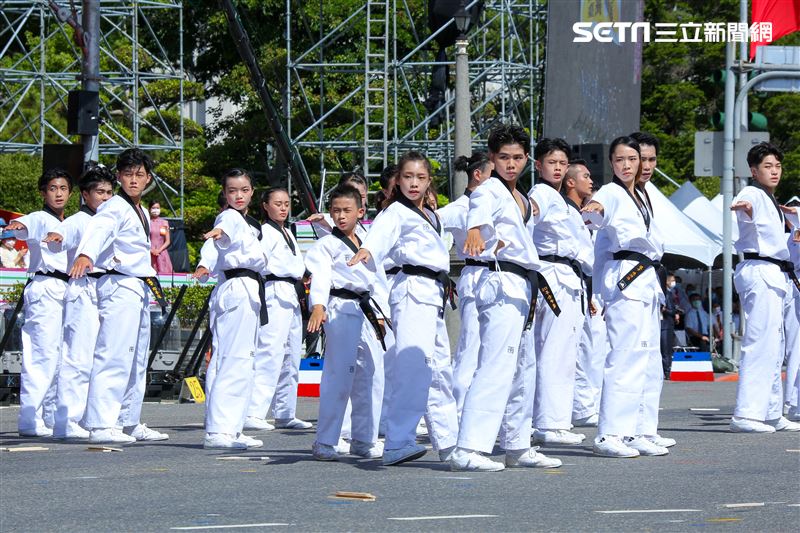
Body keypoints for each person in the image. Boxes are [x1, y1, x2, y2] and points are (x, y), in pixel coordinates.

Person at [449, 124, 561, 471]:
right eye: (503, 157)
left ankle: (517, 444)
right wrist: (474, 229)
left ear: (527, 158)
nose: (511, 164)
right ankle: (468, 447)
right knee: (495, 365)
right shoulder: (489, 190)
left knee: (524, 367)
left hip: (522, 286)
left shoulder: (523, 198)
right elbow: (478, 209)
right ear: (492, 158)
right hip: (499, 283)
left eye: (517, 157)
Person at [349, 151, 459, 466]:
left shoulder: (432, 215)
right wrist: (367, 249)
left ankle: (448, 440)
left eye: (420, 178)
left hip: (433, 292)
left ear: (429, 181)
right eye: (407, 177)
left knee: (439, 368)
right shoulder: (396, 211)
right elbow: (380, 234)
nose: (413, 183)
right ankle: (398, 441)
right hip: (412, 290)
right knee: (414, 366)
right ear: (398, 180)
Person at [70, 149, 169, 444]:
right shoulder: (114, 206)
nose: (134, 180)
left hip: (137, 285)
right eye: (128, 174)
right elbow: (100, 228)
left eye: (139, 175)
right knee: (113, 353)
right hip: (118, 283)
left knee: (136, 358)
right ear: (118, 177)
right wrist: (86, 253)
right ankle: (101, 424)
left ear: (148, 178)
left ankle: (127, 420)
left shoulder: (139, 210)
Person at [582, 136, 669, 458]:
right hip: (627, 279)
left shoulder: (641, 195)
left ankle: (638, 430)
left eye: (633, 159)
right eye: (620, 160)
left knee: (647, 359)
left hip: (646, 280)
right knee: (624, 357)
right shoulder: (611, 192)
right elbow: (598, 208)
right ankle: (609, 434)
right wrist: (594, 208)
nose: (628, 165)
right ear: (612, 163)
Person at [306, 185, 385, 460]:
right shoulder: (326, 244)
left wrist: (383, 314)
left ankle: (364, 438)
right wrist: (318, 305)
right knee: (338, 375)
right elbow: (320, 276)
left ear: (360, 212)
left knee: (371, 375)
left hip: (366, 308)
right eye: (336, 211)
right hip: (339, 307)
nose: (340, 216)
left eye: (346, 211)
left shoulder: (368, 242)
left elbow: (378, 280)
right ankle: (325, 440)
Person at [729, 142, 800, 433]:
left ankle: (770, 411)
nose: (774, 171)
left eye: (778, 166)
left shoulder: (771, 199)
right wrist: (744, 207)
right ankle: (746, 414)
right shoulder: (753, 193)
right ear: (754, 171)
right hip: (759, 269)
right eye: (767, 166)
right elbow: (744, 202)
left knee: (775, 345)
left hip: (775, 272)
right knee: (760, 342)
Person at [43, 165, 115, 439]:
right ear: (85, 195)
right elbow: (63, 233)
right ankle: (67, 420)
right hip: (83, 287)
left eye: (109, 192)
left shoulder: (110, 219)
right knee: (78, 357)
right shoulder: (79, 220)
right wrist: (57, 237)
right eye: (99, 192)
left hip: (106, 289)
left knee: (101, 358)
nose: (105, 197)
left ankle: (90, 417)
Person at [201, 168, 270, 449]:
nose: (238, 195)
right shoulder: (229, 217)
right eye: (232, 191)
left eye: (244, 190)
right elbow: (219, 235)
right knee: (233, 359)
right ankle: (220, 430)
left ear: (252, 191)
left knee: (240, 360)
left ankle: (231, 427)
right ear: (225, 193)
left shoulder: (248, 223)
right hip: (237, 286)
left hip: (247, 288)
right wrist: (205, 261)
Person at [527, 138, 589, 447]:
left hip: (568, 274)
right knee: (553, 350)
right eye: (552, 163)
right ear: (538, 165)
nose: (558, 169)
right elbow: (528, 219)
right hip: (550, 272)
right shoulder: (540, 193)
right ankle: (548, 423)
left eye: (563, 164)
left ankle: (556, 420)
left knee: (564, 351)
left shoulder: (561, 200)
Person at [5, 168, 72, 437]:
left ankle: (51, 416)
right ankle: (30, 419)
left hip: (67, 288)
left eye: (63, 188)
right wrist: (17, 227)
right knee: (42, 354)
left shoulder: (70, 222)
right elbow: (23, 226)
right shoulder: (39, 218)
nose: (58, 194)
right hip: (45, 285)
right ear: (43, 193)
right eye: (53, 189)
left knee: (60, 357)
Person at [244, 187, 312, 432]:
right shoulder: (265, 232)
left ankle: (285, 412)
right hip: (274, 290)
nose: (283, 208)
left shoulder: (288, 231)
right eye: (277, 203)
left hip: (292, 293)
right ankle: (254, 411)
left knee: (292, 355)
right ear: (265, 205)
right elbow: (259, 262)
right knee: (270, 352)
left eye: (286, 204)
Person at [436, 151, 493, 417]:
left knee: (492, 347)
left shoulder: (498, 202)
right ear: (478, 175)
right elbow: (430, 223)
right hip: (476, 272)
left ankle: (480, 408)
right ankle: (458, 408)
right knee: (471, 344)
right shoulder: (459, 208)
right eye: (492, 173)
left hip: (500, 276)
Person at [564, 159, 605, 428]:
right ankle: (580, 407)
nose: (591, 181)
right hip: (571, 282)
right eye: (585, 177)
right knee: (577, 351)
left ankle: (589, 404)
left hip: (589, 287)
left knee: (594, 350)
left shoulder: (589, 218)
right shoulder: (565, 211)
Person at [148, 201, 173, 274]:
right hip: (149, 253)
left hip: (161, 254)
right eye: (153, 208)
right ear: (149, 209)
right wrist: (151, 250)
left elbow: (167, 241)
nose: (155, 210)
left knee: (164, 275)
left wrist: (158, 250)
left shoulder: (164, 223)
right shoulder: (146, 222)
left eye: (157, 208)